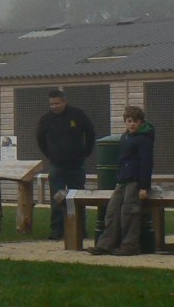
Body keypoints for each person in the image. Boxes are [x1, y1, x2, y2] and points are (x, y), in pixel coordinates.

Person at [91, 106, 155, 256]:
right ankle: (105, 244)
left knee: (129, 213)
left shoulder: (144, 139)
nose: (132, 124)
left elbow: (146, 163)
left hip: (135, 182)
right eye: (129, 121)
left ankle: (130, 245)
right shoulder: (125, 137)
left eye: (136, 121)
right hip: (122, 181)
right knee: (112, 211)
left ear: (141, 122)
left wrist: (144, 187)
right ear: (125, 122)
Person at [37, 88, 98, 241]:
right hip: (57, 165)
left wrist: (86, 152)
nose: (54, 106)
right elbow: (40, 139)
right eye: (51, 104)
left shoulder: (77, 115)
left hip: (76, 165)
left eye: (57, 103)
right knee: (56, 199)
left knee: (77, 198)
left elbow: (90, 132)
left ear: (64, 101)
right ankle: (57, 232)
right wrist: (50, 154)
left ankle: (80, 230)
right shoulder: (46, 119)